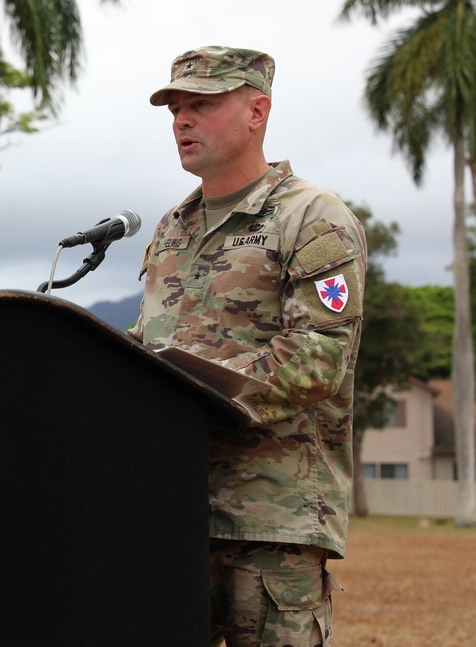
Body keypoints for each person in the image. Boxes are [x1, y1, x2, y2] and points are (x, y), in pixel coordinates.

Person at [129, 46, 367, 647]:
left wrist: (186, 395)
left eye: (201, 105)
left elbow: (318, 358)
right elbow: (146, 346)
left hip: (270, 520)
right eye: (175, 108)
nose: (182, 120)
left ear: (257, 111)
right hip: (167, 509)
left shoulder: (311, 216)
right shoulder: (171, 228)